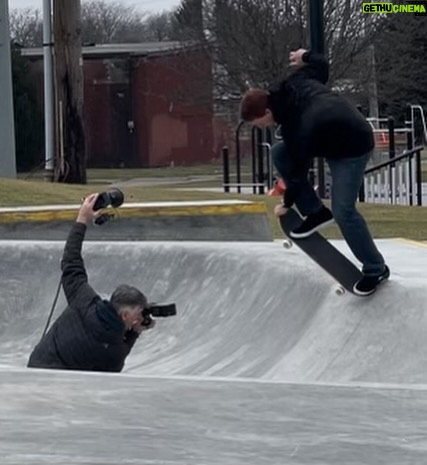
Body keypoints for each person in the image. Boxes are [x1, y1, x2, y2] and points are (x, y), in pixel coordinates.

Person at [239, 48, 389, 296]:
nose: (261, 128)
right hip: (329, 135)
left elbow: (299, 171)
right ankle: (316, 212)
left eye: (258, 124)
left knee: (344, 211)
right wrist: (305, 56)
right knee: (279, 152)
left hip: (353, 147)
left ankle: (376, 268)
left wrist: (286, 204)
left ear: (266, 113)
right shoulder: (294, 82)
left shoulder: (299, 128)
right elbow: (322, 66)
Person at [27, 193, 155, 372]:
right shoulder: (114, 350)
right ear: (125, 316)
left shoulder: (84, 299)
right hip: (62, 389)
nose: (140, 318)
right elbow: (110, 372)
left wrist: (82, 219)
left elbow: (71, 261)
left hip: (36, 366)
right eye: (138, 314)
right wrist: (134, 333)